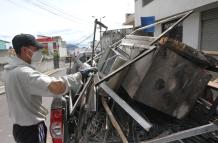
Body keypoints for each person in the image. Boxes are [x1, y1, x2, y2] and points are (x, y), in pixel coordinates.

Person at [2, 34, 96, 143]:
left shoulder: (9, 71)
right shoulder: (25, 73)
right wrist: (80, 75)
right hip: (32, 130)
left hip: (19, 129)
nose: (39, 52)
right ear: (25, 50)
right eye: (36, 49)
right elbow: (56, 86)